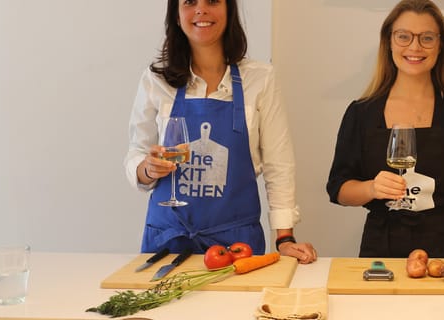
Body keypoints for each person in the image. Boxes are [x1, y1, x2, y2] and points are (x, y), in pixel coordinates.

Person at [123, 0, 316, 264]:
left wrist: (284, 237)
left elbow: (278, 164)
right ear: (177, 16)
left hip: (236, 244)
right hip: (168, 241)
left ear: (229, 12)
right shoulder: (156, 79)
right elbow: (138, 151)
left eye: (212, 1)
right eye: (190, 2)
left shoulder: (260, 79)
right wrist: (147, 169)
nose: (201, 9)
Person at [326, 0, 444, 258]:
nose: (415, 47)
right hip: (381, 246)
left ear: (440, 45)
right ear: (389, 42)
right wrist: (371, 188)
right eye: (404, 36)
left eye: (427, 38)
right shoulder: (361, 112)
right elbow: (339, 188)